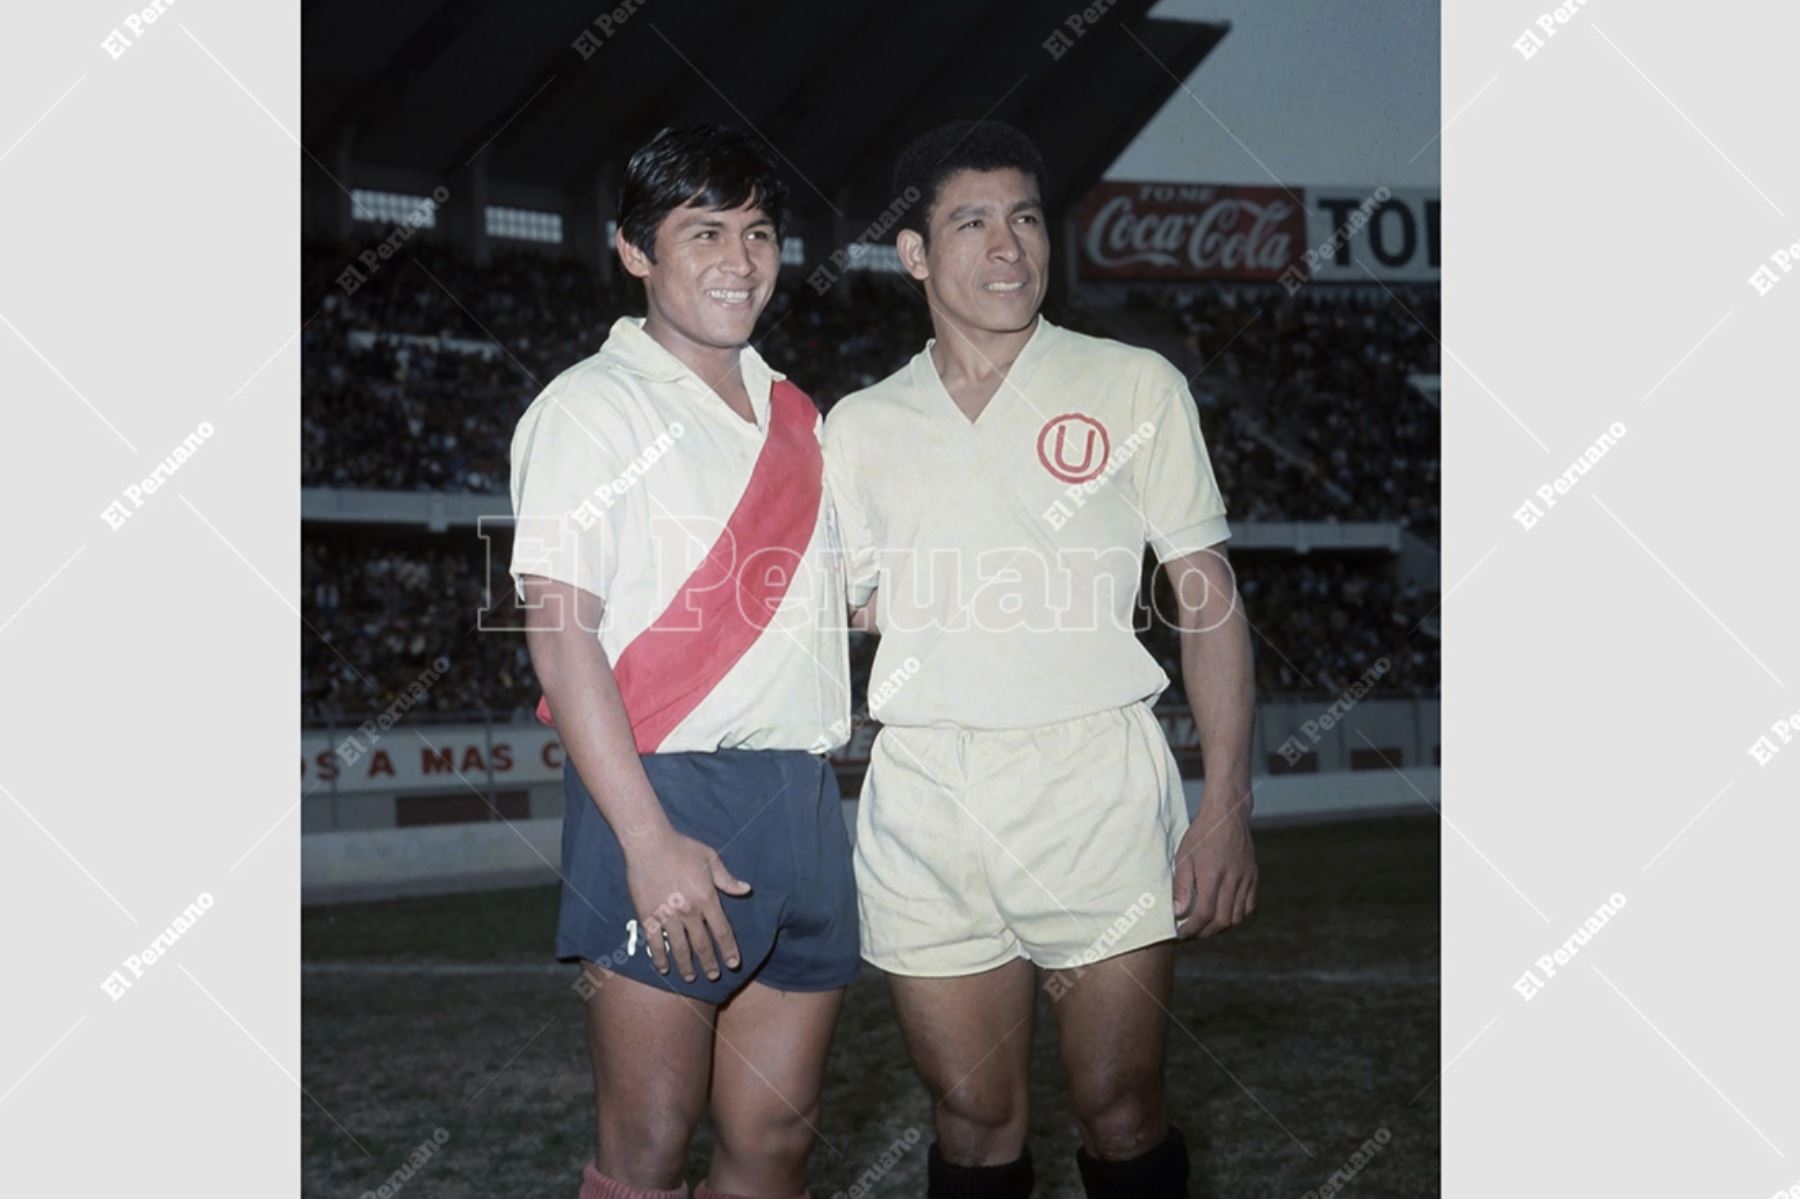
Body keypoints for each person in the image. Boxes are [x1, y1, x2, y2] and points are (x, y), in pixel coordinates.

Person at [822, 121, 1259, 1199]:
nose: (1007, 243)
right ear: (916, 253)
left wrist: (1227, 803)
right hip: (925, 791)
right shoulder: (863, 423)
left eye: (1024, 216)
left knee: (1120, 1105)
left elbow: (1206, 597)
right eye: (970, 221)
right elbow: (856, 602)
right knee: (972, 1117)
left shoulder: (1132, 383)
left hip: (1095, 783)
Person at [509, 124, 856, 1199]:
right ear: (633, 252)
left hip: (804, 798)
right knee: (649, 1145)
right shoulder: (590, 406)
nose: (738, 260)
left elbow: (833, 606)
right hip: (664, 797)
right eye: (703, 230)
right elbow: (560, 629)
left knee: (775, 1145)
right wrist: (650, 843)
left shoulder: (798, 412)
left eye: (757, 232)